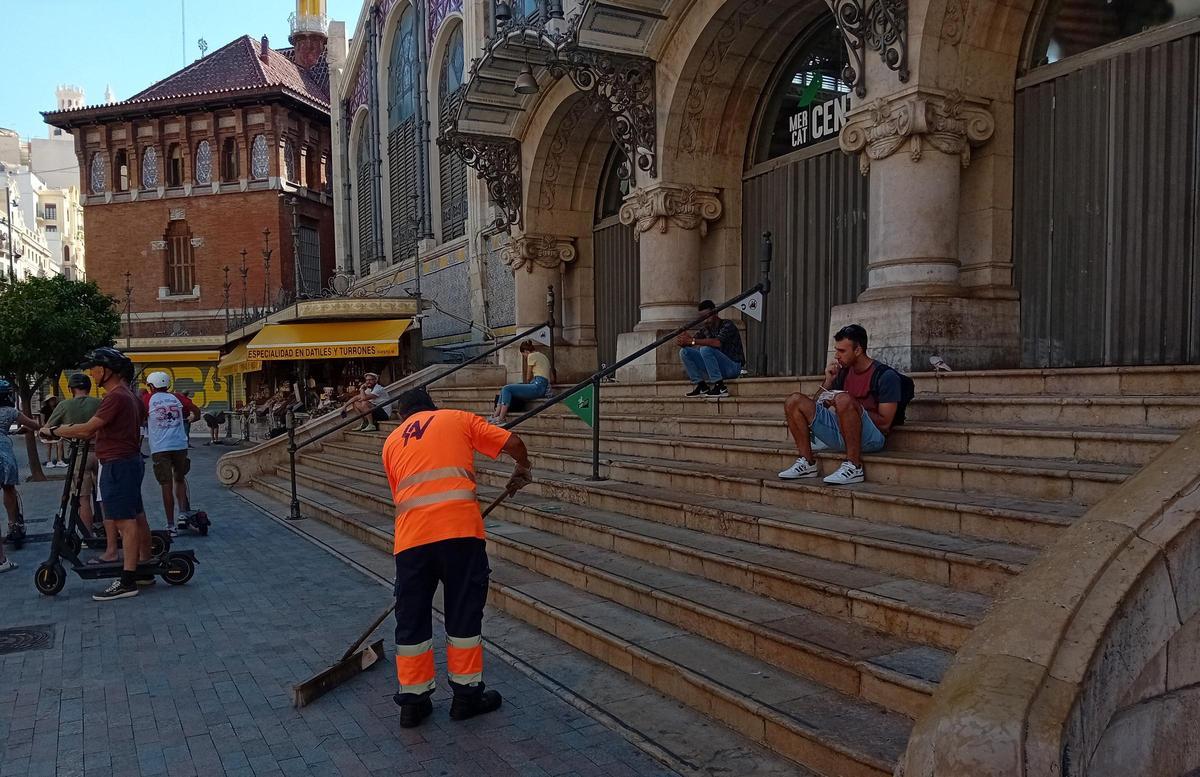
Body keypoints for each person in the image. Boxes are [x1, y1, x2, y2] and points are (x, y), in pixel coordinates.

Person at [382, 388, 532, 728]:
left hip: (411, 541)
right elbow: (513, 442)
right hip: (460, 535)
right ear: (432, 406)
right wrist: (522, 466)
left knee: (412, 620)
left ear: (403, 416)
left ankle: (413, 703)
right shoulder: (456, 418)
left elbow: (402, 495)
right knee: (463, 614)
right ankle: (466, 698)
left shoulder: (391, 442)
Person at [56, 347, 153, 600]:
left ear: (107, 370)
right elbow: (127, 424)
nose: (91, 372)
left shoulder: (115, 396)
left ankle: (128, 581)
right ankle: (145, 567)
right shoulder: (129, 396)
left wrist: (56, 431)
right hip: (129, 461)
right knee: (137, 515)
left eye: (94, 368)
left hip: (118, 464)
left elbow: (88, 429)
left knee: (124, 521)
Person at [778, 324, 901, 486]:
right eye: (836, 350)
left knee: (844, 399)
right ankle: (807, 463)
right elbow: (815, 408)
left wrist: (851, 405)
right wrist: (828, 382)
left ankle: (854, 466)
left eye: (842, 351)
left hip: (872, 437)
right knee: (794, 401)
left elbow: (885, 424)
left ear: (858, 350)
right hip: (843, 430)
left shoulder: (886, 376)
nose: (836, 356)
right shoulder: (843, 372)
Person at [43, 373, 102, 535]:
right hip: (102, 454)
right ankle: (112, 534)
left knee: (82, 498)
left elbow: (48, 429)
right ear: (89, 388)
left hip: (80, 455)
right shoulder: (100, 403)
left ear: (70, 389)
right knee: (105, 495)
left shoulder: (64, 406)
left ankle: (87, 536)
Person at [143, 372, 200, 536]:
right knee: (180, 479)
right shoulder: (177, 397)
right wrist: (192, 419)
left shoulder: (147, 399)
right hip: (180, 444)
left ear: (151, 386)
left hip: (160, 448)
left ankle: (170, 525)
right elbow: (196, 411)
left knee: (165, 484)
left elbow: (139, 417)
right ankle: (182, 514)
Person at [0, 380, 41, 573]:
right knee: (9, 488)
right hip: (4, 453)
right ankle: (12, 522)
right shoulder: (11, 412)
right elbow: (34, 425)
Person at [676, 300, 745, 399]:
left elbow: (716, 342)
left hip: (733, 367)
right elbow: (692, 342)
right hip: (718, 368)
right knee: (685, 352)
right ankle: (701, 386)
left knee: (705, 349)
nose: (705, 320)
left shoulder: (727, 325)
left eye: (707, 316)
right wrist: (684, 341)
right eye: (702, 317)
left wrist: (692, 341)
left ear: (715, 313)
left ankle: (720, 387)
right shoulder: (705, 329)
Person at [491, 340, 552, 424]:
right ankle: (495, 416)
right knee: (505, 389)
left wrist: (526, 383)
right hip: (541, 384)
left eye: (524, 355)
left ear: (526, 351)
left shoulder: (531, 355)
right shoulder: (543, 356)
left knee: (506, 388)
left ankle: (501, 418)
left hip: (538, 386)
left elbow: (528, 375)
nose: (525, 357)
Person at [40, 395, 66, 468]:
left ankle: (59, 460)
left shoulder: (57, 408)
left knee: (60, 444)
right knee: (49, 445)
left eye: (54, 400)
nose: (53, 401)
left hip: (57, 427)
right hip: (48, 428)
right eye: (51, 400)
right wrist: (44, 429)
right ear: (48, 401)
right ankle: (48, 461)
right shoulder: (44, 409)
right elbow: (42, 421)